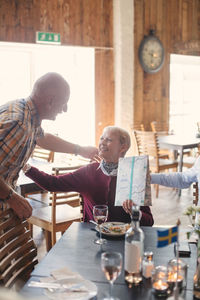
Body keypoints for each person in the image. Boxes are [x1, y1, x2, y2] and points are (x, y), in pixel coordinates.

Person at [0, 72, 98, 219]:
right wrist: (11, 197)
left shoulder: (27, 113)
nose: (65, 109)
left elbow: (42, 138)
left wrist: (80, 149)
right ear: (50, 100)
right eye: (64, 102)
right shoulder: (19, 123)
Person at [24, 126, 154, 226]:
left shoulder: (134, 174)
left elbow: (149, 221)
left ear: (123, 147)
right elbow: (52, 184)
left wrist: (135, 212)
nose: (102, 142)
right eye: (101, 138)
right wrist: (26, 167)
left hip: (125, 241)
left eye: (108, 140)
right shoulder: (89, 172)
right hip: (93, 238)